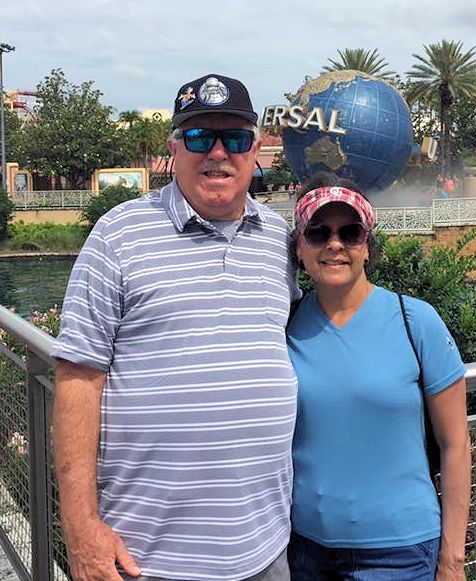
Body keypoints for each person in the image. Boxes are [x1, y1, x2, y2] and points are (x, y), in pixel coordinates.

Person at [51, 73, 300, 581]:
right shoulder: (118, 234)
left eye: (234, 139)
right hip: (148, 559)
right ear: (173, 150)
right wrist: (80, 528)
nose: (217, 153)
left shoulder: (280, 239)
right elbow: (78, 379)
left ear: (254, 150)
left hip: (266, 547)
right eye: (198, 137)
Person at [287, 172, 471, 580]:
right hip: (306, 552)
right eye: (318, 232)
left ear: (366, 247)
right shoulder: (284, 327)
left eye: (350, 233)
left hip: (400, 554)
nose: (335, 244)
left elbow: (455, 443)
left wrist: (452, 559)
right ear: (300, 248)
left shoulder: (415, 321)